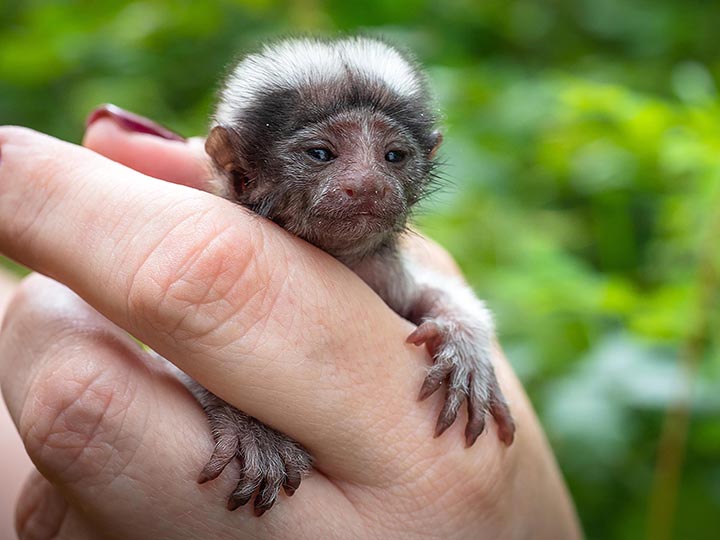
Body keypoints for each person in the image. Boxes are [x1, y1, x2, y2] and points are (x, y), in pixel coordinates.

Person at [0, 110, 582, 539]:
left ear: (427, 163)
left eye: (394, 156)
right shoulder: (215, 239)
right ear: (241, 171)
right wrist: (232, 408)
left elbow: (439, 297)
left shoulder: (390, 265)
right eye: (322, 154)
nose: (368, 182)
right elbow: (180, 363)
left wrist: (461, 337)